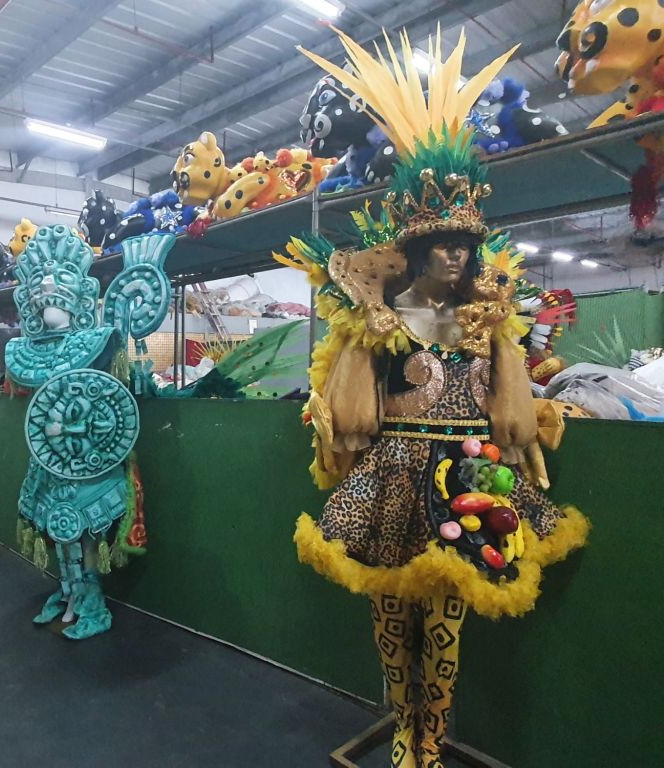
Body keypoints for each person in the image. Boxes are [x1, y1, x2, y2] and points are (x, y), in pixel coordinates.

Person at [287, 30, 590, 768]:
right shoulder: (376, 316)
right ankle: (402, 722)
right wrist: (352, 362)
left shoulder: (490, 323)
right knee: (393, 615)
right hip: (390, 475)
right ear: (418, 247)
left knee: (450, 618)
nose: (456, 253)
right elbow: (351, 412)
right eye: (443, 242)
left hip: (473, 472)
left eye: (465, 243)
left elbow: (511, 412)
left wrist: (520, 389)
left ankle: (433, 731)